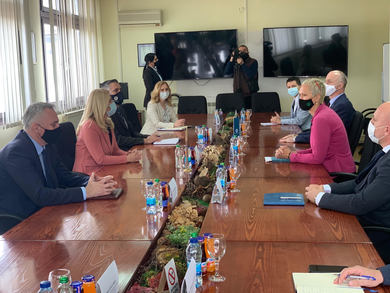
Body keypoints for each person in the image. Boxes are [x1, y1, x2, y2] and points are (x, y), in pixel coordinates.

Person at [0, 102, 117, 223]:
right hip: (21, 220)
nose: (58, 128)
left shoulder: (46, 144)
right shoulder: (16, 153)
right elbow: (40, 195)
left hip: (47, 209)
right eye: (54, 124)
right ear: (36, 128)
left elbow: (64, 175)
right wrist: (86, 192)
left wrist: (92, 181)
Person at [305, 102, 390, 261]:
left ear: (387, 130)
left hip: (373, 233)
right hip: (360, 220)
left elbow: (362, 203)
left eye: (374, 121)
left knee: (315, 245)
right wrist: (325, 188)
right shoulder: (384, 153)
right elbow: (359, 182)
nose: (369, 124)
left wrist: (320, 198)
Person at [275, 78, 355, 173]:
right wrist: (292, 153)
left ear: (316, 98)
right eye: (300, 95)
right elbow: (315, 150)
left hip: (337, 173)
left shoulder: (321, 118)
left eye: (304, 95)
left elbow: (317, 158)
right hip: (332, 166)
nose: (300, 99)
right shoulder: (321, 112)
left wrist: (290, 155)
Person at [73, 89, 142, 174]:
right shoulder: (88, 126)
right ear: (101, 105)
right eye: (109, 101)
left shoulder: (107, 122)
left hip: (103, 168)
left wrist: (128, 154)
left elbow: (115, 150)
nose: (111, 104)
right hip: (88, 173)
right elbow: (100, 159)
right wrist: (127, 158)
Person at [101, 79, 160, 151]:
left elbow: (132, 133)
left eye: (120, 90)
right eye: (116, 90)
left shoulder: (121, 109)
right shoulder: (106, 115)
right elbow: (118, 139)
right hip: (121, 151)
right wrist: (144, 141)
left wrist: (149, 137)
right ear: (106, 95)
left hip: (132, 148)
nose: (119, 92)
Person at [270, 77, 312, 143]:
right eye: (289, 87)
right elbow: (293, 117)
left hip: (307, 132)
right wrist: (280, 118)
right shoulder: (295, 99)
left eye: (293, 86)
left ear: (300, 86)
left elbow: (298, 121)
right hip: (299, 130)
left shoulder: (304, 100)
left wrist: (280, 121)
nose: (291, 89)